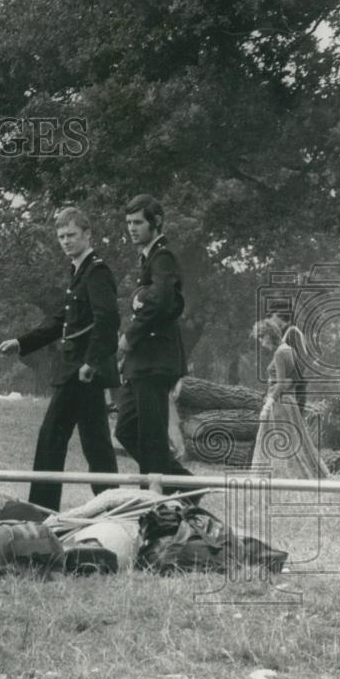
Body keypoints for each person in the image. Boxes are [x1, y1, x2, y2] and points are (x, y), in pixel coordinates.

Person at [0, 207, 120, 511]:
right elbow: (59, 322)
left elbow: (108, 320)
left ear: (88, 234)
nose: (65, 241)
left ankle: (41, 510)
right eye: (61, 236)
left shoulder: (97, 271)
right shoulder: (79, 271)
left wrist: (91, 362)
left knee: (52, 437)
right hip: (77, 372)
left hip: (82, 372)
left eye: (72, 235)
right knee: (97, 446)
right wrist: (21, 342)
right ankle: (115, 508)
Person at [114, 195, 193, 488]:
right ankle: (184, 485)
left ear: (156, 222)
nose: (132, 229)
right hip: (141, 363)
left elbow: (161, 301)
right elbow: (155, 302)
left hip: (155, 361)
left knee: (151, 434)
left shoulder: (163, 257)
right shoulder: (148, 257)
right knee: (126, 429)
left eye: (138, 222)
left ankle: (156, 499)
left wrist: (128, 338)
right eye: (128, 223)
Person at [251, 318, 329, 479]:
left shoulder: (280, 352)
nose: (261, 342)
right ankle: (286, 474)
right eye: (259, 337)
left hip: (280, 402)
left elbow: (280, 383)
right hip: (288, 401)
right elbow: (290, 380)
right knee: (291, 440)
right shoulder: (288, 349)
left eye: (261, 336)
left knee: (279, 439)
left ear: (270, 335)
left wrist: (267, 405)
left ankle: (281, 476)